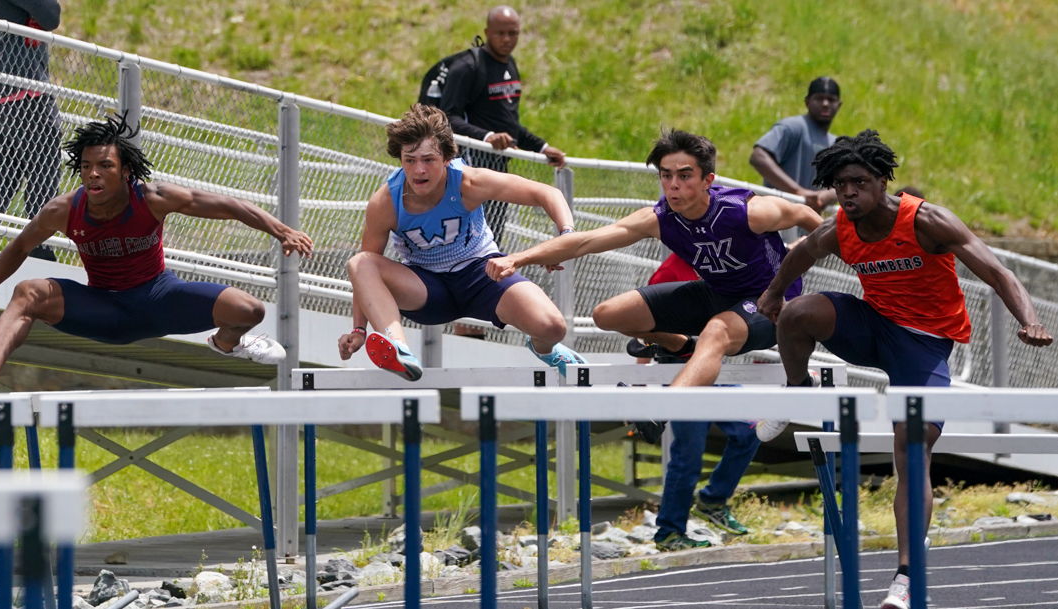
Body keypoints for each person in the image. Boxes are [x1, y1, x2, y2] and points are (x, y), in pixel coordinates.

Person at [757, 130, 1053, 609]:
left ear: (882, 180)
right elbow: (802, 252)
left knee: (911, 447)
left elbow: (998, 273)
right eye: (839, 185)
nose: (848, 193)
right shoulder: (839, 229)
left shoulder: (927, 221)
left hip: (923, 345)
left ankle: (906, 575)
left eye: (858, 182)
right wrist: (773, 293)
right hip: (873, 328)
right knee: (796, 314)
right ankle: (797, 391)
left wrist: (1030, 319)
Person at [486, 129, 822, 550]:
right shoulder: (660, 218)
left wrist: (827, 255)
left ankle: (661, 409)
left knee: (717, 331)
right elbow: (588, 240)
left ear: (708, 180)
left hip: (769, 303)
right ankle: (678, 344)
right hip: (717, 293)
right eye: (666, 176)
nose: (674, 186)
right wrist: (520, 257)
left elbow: (806, 216)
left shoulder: (747, 211)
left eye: (684, 176)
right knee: (608, 314)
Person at [0, 114, 313, 394]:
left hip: (158, 298)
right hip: (103, 309)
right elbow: (17, 248)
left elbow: (229, 205)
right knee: (28, 292)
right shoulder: (63, 210)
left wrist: (282, 231)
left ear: (126, 171)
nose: (93, 174)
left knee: (250, 310)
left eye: (105, 166)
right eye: (86, 167)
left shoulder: (154, 198)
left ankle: (228, 343)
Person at [337, 104, 583, 381]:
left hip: (482, 275)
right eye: (410, 160)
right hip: (425, 287)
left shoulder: (469, 182)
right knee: (359, 262)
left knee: (553, 327)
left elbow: (546, 193)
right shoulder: (386, 202)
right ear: (400, 160)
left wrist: (566, 235)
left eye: (428, 159)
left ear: (446, 158)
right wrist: (359, 329)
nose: (419, 170)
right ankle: (398, 348)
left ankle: (547, 350)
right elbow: (364, 276)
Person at [439, 5, 566, 248]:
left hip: (499, 166)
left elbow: (508, 123)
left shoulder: (510, 64)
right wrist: (487, 137)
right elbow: (447, 118)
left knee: (492, 237)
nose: (507, 39)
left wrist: (542, 147)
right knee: (466, 240)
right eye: (500, 33)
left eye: (513, 33)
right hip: (470, 168)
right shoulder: (467, 68)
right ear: (487, 32)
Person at [0, 0, 65, 261]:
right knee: (45, 164)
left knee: (6, 171)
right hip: (22, 89)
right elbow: (50, 15)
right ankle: (40, 250)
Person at [749, 76, 843, 215]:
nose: (825, 104)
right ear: (807, 102)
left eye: (831, 99)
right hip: (776, 218)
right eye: (819, 98)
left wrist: (832, 193)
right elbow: (758, 157)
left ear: (839, 105)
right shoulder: (793, 127)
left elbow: (847, 182)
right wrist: (798, 192)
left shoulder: (837, 145)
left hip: (806, 224)